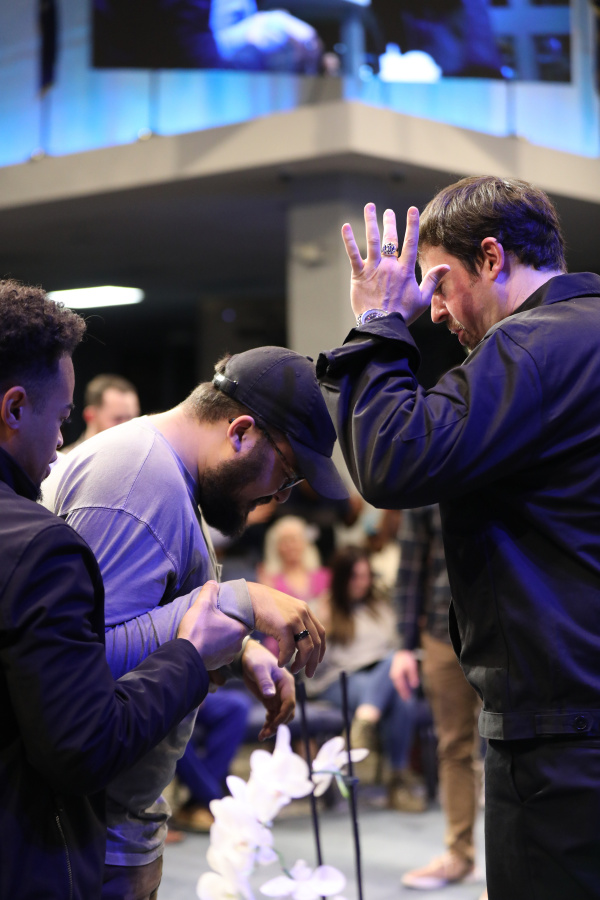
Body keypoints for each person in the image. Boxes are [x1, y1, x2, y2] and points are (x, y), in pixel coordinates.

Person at [317, 175, 600, 900]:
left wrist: (379, 321)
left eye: (438, 282)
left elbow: (394, 461)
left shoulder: (531, 346)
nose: (433, 309)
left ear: (493, 258)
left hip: (564, 734)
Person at [0, 279, 269, 898]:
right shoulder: (39, 546)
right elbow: (83, 744)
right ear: (14, 409)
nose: (62, 442)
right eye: (60, 419)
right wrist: (191, 653)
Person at [45, 345, 345, 899]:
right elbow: (73, 669)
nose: (279, 497)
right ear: (241, 433)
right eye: (286, 474)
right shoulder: (139, 479)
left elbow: (145, 618)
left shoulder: (165, 474)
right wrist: (237, 603)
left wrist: (237, 648)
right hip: (85, 842)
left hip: (112, 826)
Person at [391, 505, 483, 889]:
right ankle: (459, 855)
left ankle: (514, 866)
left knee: (514, 743)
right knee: (453, 746)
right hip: (444, 633)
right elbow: (410, 565)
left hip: (511, 627)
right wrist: (404, 646)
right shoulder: (426, 484)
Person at [306, 545, 423, 812]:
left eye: (366, 576)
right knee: (396, 680)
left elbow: (396, 646)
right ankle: (398, 780)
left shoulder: (379, 608)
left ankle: (364, 723)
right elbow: (310, 663)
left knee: (400, 686)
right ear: (341, 577)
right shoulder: (321, 608)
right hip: (337, 680)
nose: (362, 583)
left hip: (380, 677)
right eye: (355, 577)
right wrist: (323, 628)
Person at [258, 515, 331, 604]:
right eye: (284, 541)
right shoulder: (271, 581)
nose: (290, 546)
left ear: (305, 543)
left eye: (294, 540)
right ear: (276, 547)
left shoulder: (325, 576)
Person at [63, 372, 140, 451]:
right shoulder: (68, 458)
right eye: (118, 419)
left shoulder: (140, 456)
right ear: (90, 416)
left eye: (132, 419)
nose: (127, 427)